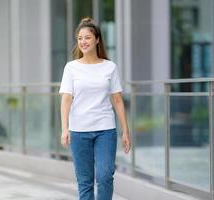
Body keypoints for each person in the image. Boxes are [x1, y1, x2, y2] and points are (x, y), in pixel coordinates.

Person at [59, 17, 131, 200]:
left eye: (87, 38)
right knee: (85, 182)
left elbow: (117, 100)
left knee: (105, 176)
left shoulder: (110, 67)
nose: (83, 42)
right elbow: (66, 99)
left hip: (105, 130)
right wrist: (65, 128)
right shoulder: (71, 68)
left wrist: (125, 131)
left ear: (97, 39)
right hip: (79, 131)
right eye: (80, 38)